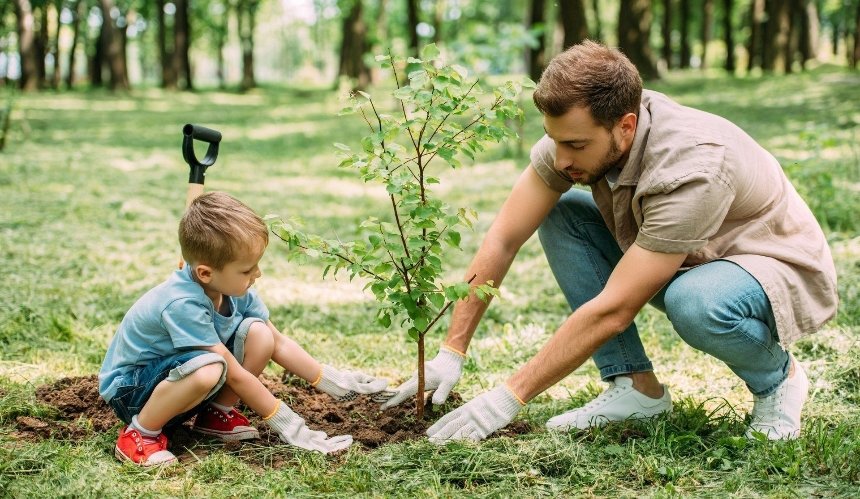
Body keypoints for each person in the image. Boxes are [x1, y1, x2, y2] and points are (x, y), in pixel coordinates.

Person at [382, 40, 838, 443]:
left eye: (576, 146)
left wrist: (508, 396)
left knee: (694, 301)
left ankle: (778, 380)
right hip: (685, 253)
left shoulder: (693, 167)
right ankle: (635, 389)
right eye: (554, 140)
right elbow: (503, 237)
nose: (561, 159)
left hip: (767, 264)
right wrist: (451, 350)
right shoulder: (574, 136)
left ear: (625, 125)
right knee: (562, 215)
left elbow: (616, 308)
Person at [99, 191, 389, 466]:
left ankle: (215, 415)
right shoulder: (182, 303)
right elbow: (233, 374)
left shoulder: (232, 288)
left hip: (176, 381)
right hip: (133, 391)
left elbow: (278, 342)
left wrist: (333, 382)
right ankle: (140, 434)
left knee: (260, 334)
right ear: (205, 273)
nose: (257, 274)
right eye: (247, 269)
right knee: (211, 367)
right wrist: (289, 424)